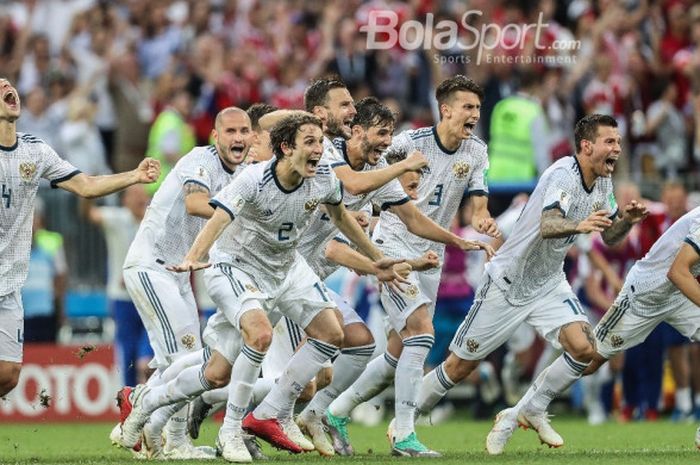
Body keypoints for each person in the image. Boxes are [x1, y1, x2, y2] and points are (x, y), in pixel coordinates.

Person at [117, 113, 407, 463]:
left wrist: (376, 258)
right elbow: (219, 217)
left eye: (320, 142)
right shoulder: (254, 179)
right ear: (286, 148)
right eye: (311, 143)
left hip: (286, 268)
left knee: (326, 334)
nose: (320, 151)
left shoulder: (323, 177)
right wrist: (195, 256)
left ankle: (157, 404)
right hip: (236, 266)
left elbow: (340, 215)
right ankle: (230, 431)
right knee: (257, 337)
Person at [324, 75, 500, 457]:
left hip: (431, 256)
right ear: (446, 109)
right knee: (421, 334)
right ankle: (404, 433)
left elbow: (478, 200)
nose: (474, 114)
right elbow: (371, 174)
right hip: (392, 246)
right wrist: (368, 213)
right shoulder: (407, 143)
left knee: (395, 354)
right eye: (467, 107)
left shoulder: (476, 152)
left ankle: (332, 411)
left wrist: (481, 220)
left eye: (477, 108)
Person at [471, 114, 647, 455]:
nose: (617, 149)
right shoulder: (562, 176)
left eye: (619, 142)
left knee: (585, 350)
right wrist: (581, 226)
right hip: (508, 278)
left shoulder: (602, 184)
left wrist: (626, 220)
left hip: (548, 280)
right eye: (610, 141)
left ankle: (519, 413)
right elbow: (547, 225)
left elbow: (609, 237)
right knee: (462, 364)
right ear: (586, 145)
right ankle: (404, 418)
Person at [0, 77, 160, 398]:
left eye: (9, 86)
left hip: (8, 283)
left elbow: (85, 186)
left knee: (9, 375)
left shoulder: (35, 151)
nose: (8, 90)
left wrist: (134, 176)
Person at [117, 107, 253, 460]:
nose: (238, 138)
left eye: (244, 131)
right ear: (216, 137)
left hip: (179, 273)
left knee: (191, 361)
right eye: (231, 131)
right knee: (182, 356)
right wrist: (242, 212)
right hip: (151, 266)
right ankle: (154, 424)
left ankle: (157, 431)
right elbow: (194, 203)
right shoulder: (199, 160)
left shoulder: (242, 174)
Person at [519, 206, 700, 449]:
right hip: (645, 294)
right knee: (590, 359)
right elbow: (677, 271)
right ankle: (524, 409)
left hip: (675, 295)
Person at [81, 185, 153, 386]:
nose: (141, 198)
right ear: (125, 201)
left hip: (150, 297)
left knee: (149, 351)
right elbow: (88, 213)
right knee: (128, 351)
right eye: (135, 194)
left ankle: (151, 394)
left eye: (143, 194)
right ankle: (128, 400)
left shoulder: (155, 222)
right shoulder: (117, 219)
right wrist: (89, 190)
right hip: (122, 298)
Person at [22, 197, 67, 343]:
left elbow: (60, 277)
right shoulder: (11, 243)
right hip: (20, 312)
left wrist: (60, 311)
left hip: (46, 311)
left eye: (33, 216)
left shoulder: (52, 241)